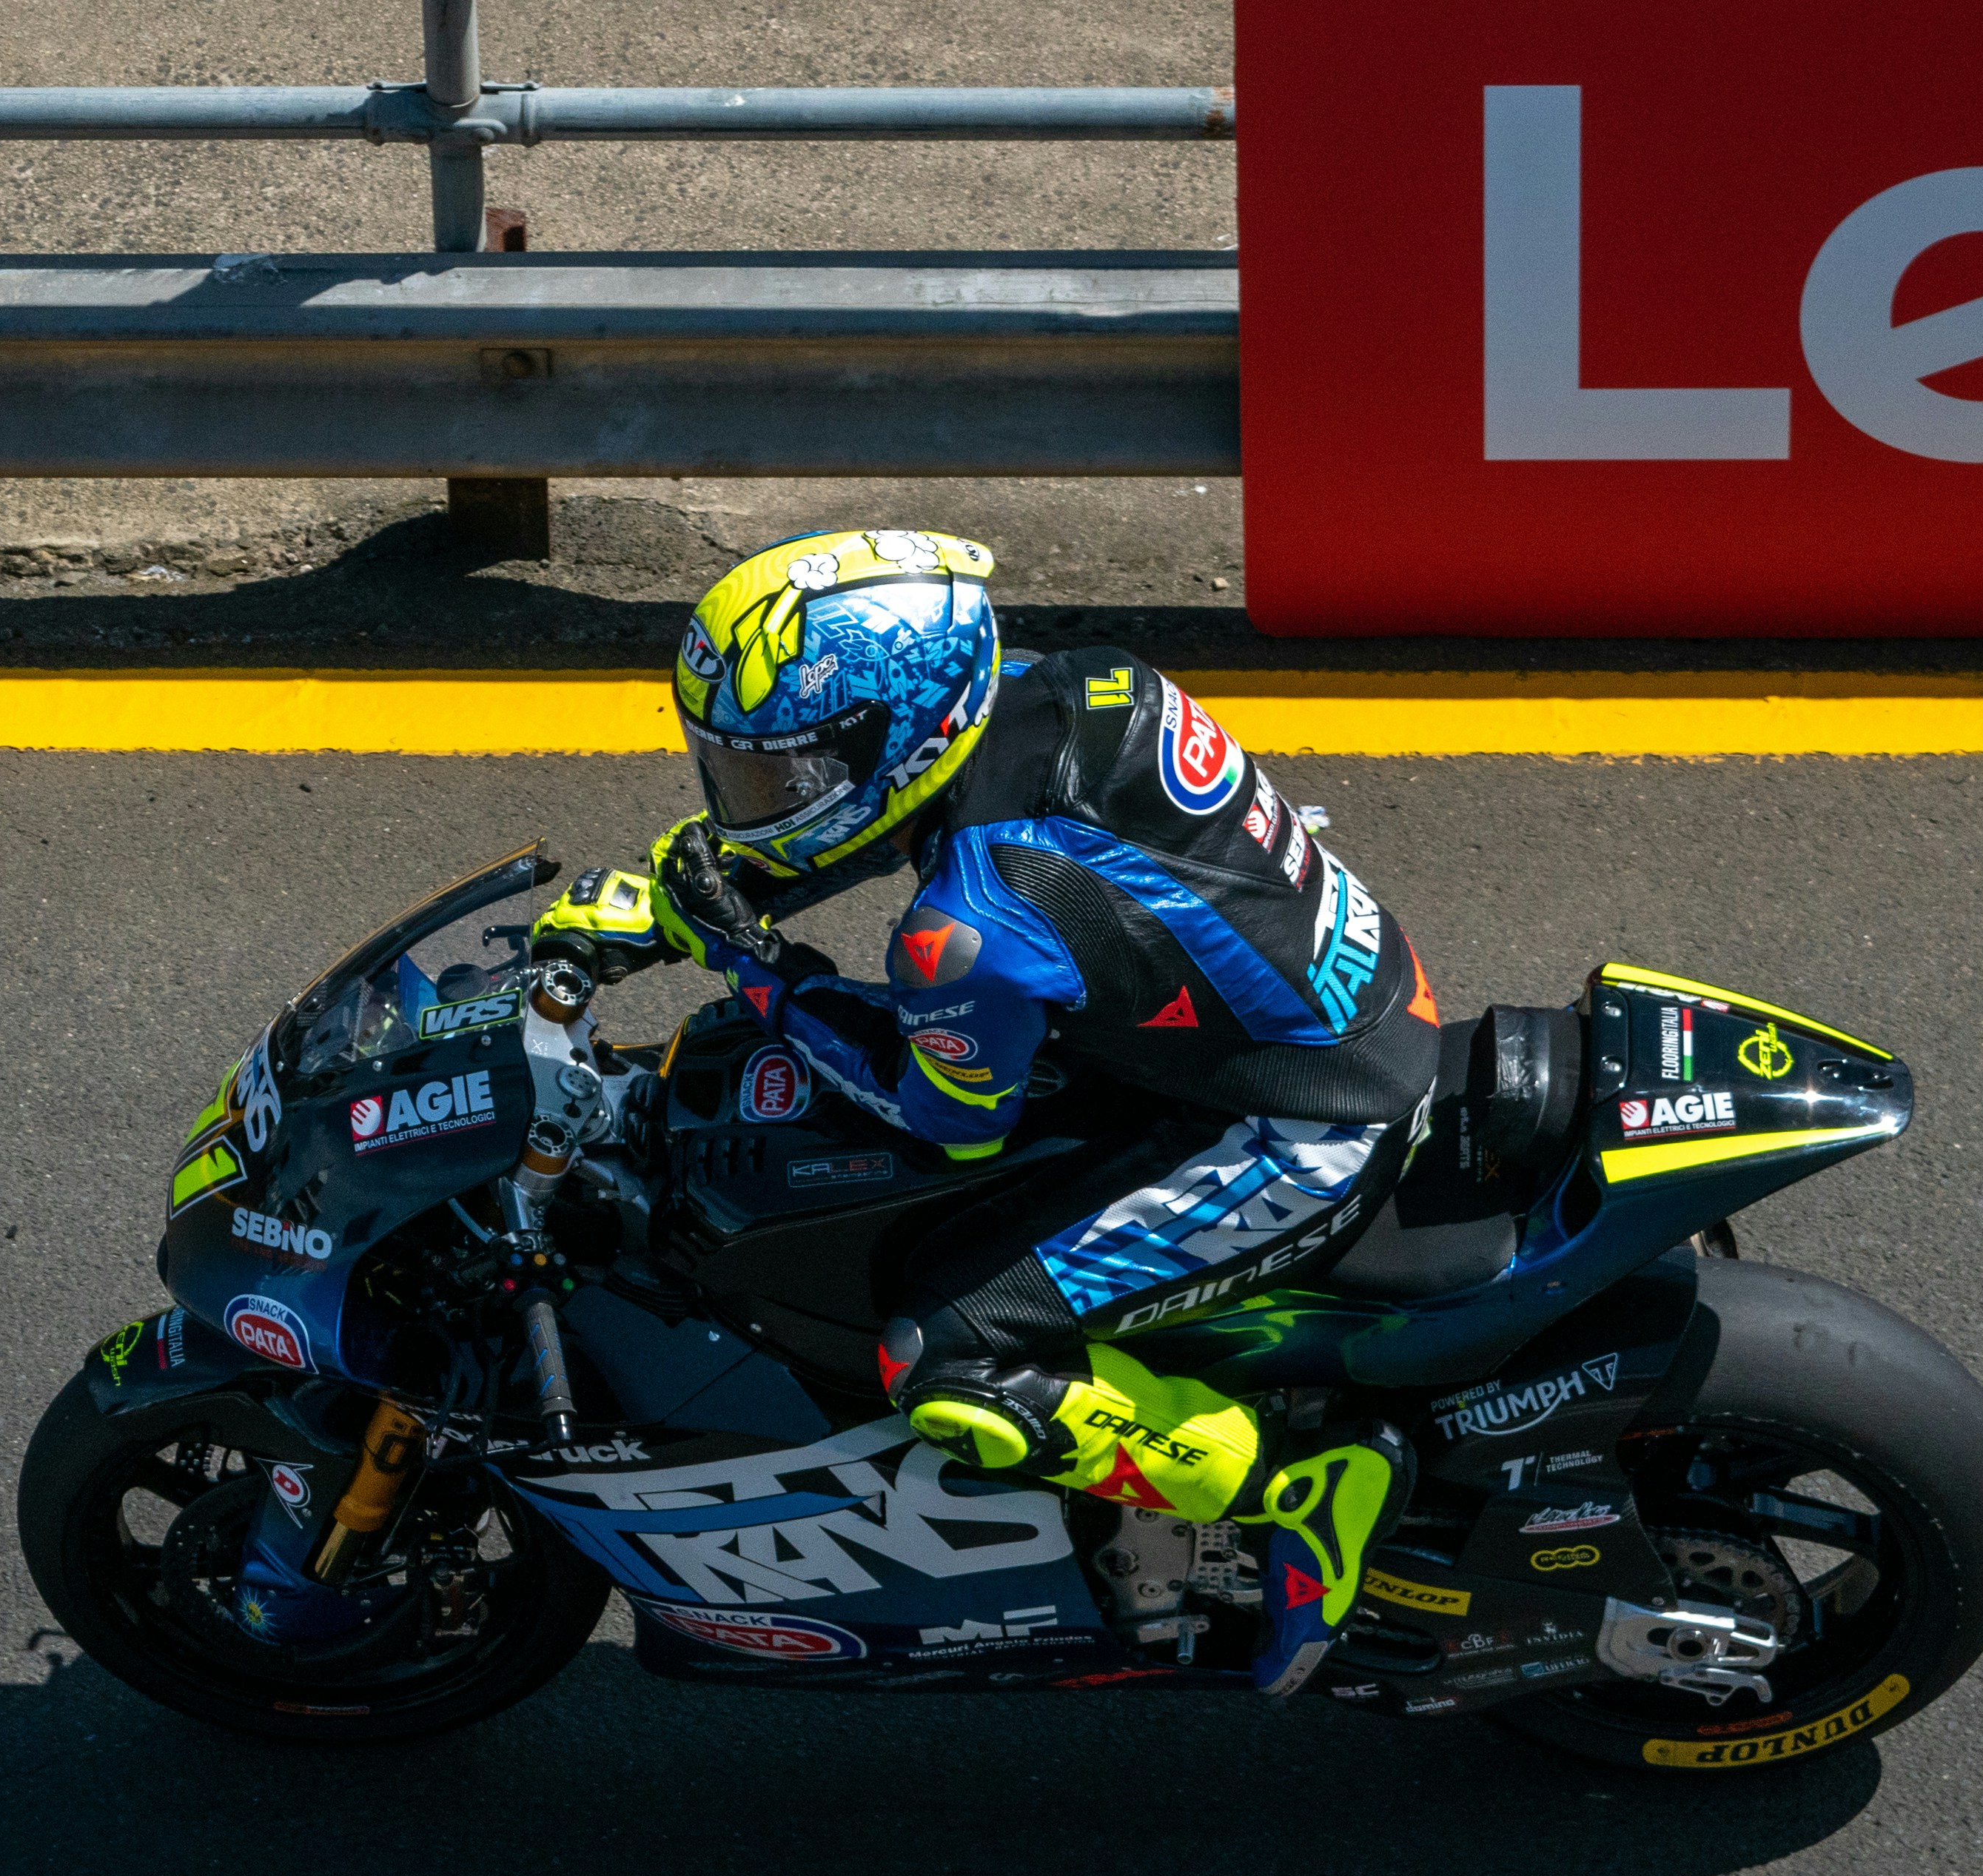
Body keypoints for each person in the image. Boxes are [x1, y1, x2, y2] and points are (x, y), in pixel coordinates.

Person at [539, 528, 1442, 1691]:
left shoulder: (972, 931)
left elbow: (939, 1114)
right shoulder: (1081, 684)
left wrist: (756, 971)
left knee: (946, 1354)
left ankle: (1290, 1484)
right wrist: (710, 892)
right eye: (736, 769)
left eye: (782, 776)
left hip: (1303, 1127)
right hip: (1323, 1002)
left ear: (907, 730)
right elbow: (903, 813)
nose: (752, 799)